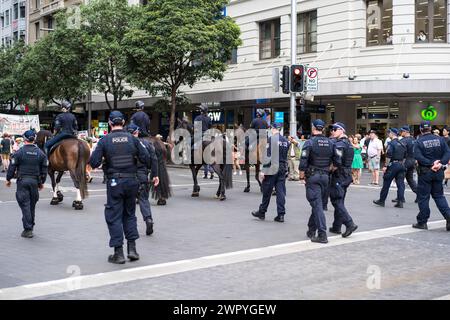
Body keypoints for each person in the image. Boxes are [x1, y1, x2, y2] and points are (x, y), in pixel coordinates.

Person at [89, 111, 151, 264]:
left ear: (110, 123)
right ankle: (132, 249)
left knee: (114, 216)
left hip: (115, 182)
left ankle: (118, 253)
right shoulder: (133, 139)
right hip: (132, 182)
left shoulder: (105, 140)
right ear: (123, 122)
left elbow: (94, 162)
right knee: (129, 214)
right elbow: (146, 158)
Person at [299, 119, 341, 244]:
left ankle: (322, 234)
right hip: (325, 177)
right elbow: (338, 160)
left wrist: (301, 176)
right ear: (322, 128)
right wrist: (330, 169)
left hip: (313, 177)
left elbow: (303, 161)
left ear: (313, 128)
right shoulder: (331, 143)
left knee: (317, 206)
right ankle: (311, 229)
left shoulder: (309, 142)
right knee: (317, 204)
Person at [5, 130, 48, 238]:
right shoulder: (41, 153)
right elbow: (44, 170)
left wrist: (8, 179)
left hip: (22, 181)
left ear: (24, 139)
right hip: (34, 182)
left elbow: (12, 167)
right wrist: (41, 182)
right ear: (34, 139)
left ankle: (28, 229)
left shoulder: (19, 152)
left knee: (25, 205)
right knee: (31, 205)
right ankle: (30, 226)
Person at [413, 121, 450, 231]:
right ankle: (449, 217)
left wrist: (431, 164)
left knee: (423, 197)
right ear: (430, 129)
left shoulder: (419, 141)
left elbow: (418, 156)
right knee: (439, 196)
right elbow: (447, 153)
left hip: (425, 172)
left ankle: (422, 222)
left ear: (420, 129)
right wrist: (439, 163)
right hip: (438, 171)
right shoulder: (440, 139)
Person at [251, 122, 289, 223]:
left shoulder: (271, 139)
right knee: (280, 192)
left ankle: (262, 212)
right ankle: (281, 215)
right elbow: (285, 157)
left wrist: (263, 171)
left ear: (273, 128)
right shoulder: (285, 141)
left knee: (266, 191)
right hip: (282, 167)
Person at [127, 124, 160, 236]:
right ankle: (148, 219)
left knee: (128, 202)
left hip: (127, 176)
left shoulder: (124, 143)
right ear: (137, 132)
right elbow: (154, 159)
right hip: (142, 176)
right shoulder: (146, 143)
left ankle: (130, 227)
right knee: (143, 200)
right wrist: (154, 175)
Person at [328, 123, 358, 237]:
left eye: (335, 129)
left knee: (336, 200)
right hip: (346, 175)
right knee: (340, 200)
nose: (332, 131)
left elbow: (337, 162)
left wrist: (330, 170)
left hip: (339, 175)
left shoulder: (340, 144)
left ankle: (349, 223)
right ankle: (336, 226)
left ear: (341, 130)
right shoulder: (349, 144)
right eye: (332, 129)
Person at [373, 128, 407, 208]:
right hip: (401, 165)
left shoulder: (391, 143)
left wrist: (385, 166)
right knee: (400, 184)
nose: (388, 134)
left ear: (392, 134)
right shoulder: (402, 144)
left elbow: (388, 156)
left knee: (386, 183)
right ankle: (400, 202)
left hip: (393, 165)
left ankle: (381, 200)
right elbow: (405, 156)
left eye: (389, 133)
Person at [398, 126, 418, 202]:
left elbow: (401, 152)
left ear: (406, 132)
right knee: (410, 179)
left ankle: (400, 197)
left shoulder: (403, 140)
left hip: (405, 161)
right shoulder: (414, 140)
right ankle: (419, 195)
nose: (401, 133)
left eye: (402, 131)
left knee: (400, 179)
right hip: (412, 161)